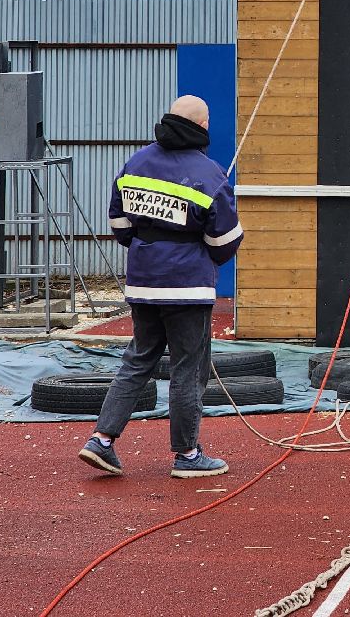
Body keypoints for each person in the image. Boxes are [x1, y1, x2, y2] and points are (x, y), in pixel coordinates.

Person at [78, 95, 243, 479]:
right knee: (188, 368)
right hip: (187, 286)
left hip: (143, 281)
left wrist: (149, 247)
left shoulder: (135, 163)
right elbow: (225, 242)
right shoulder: (210, 174)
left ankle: (101, 440)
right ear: (203, 127)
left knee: (138, 360)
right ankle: (187, 454)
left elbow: (119, 225)